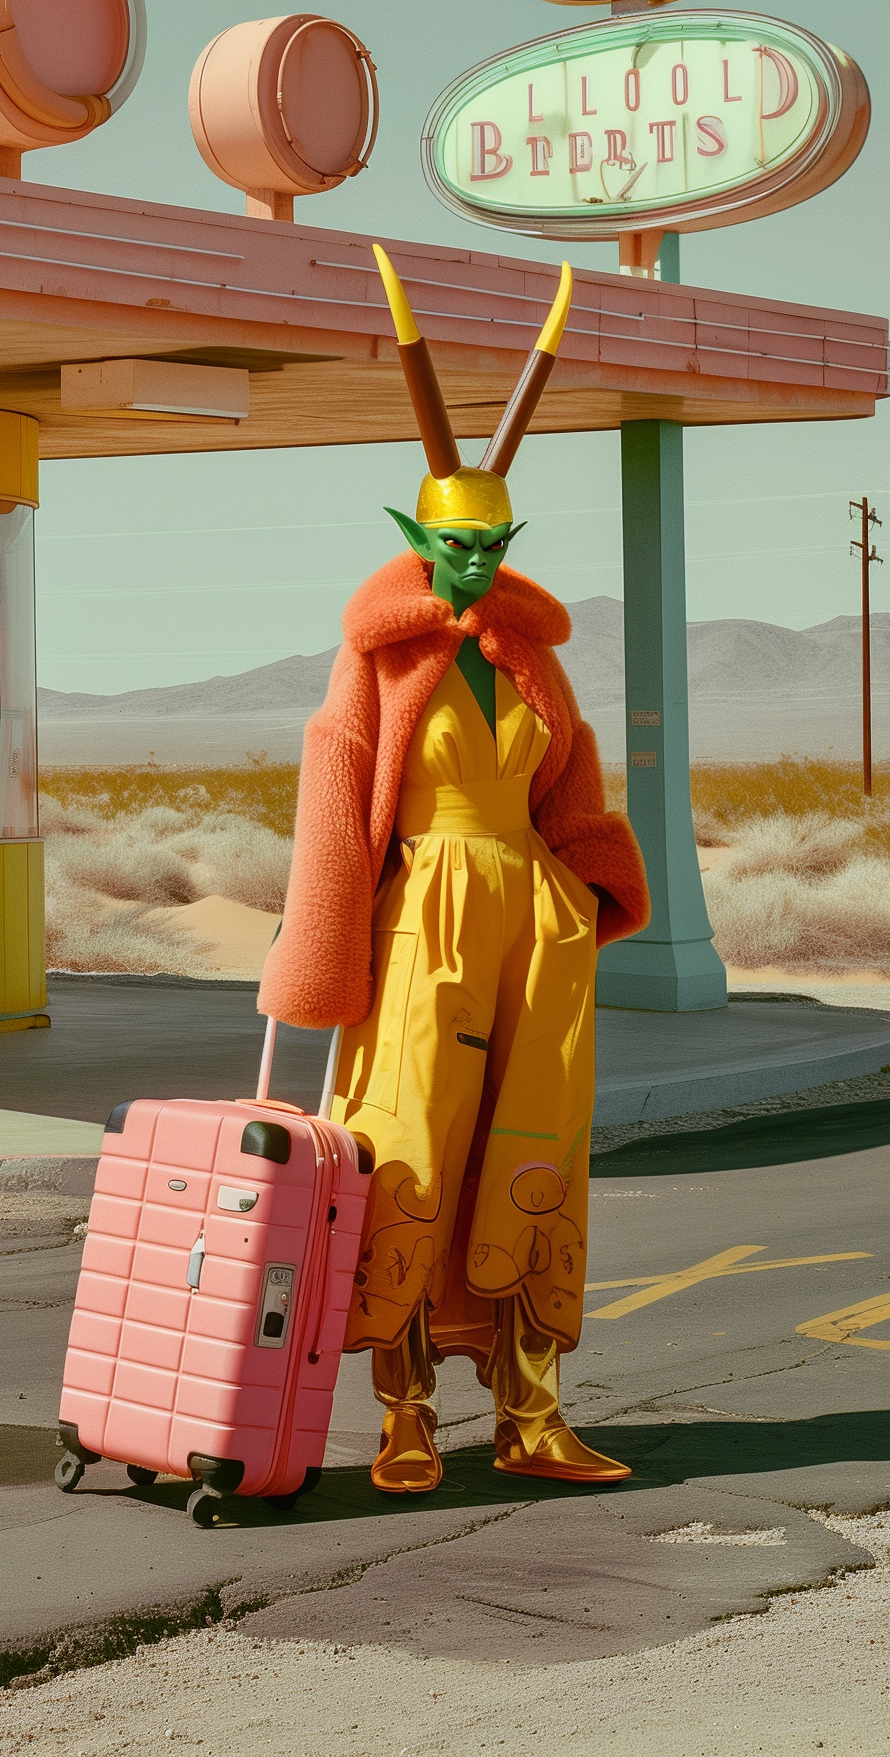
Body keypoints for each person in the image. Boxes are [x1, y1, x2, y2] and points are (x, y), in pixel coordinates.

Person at [258, 248, 650, 1492]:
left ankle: (533, 1412)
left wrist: (585, 895)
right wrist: (322, 958)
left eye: (492, 546)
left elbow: (572, 788)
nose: (474, 566)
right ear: (416, 539)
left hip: (534, 924)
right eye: (452, 545)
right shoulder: (377, 669)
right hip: (420, 915)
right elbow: (335, 805)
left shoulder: (536, 664)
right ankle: (406, 1414)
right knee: (409, 1143)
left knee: (536, 1142)